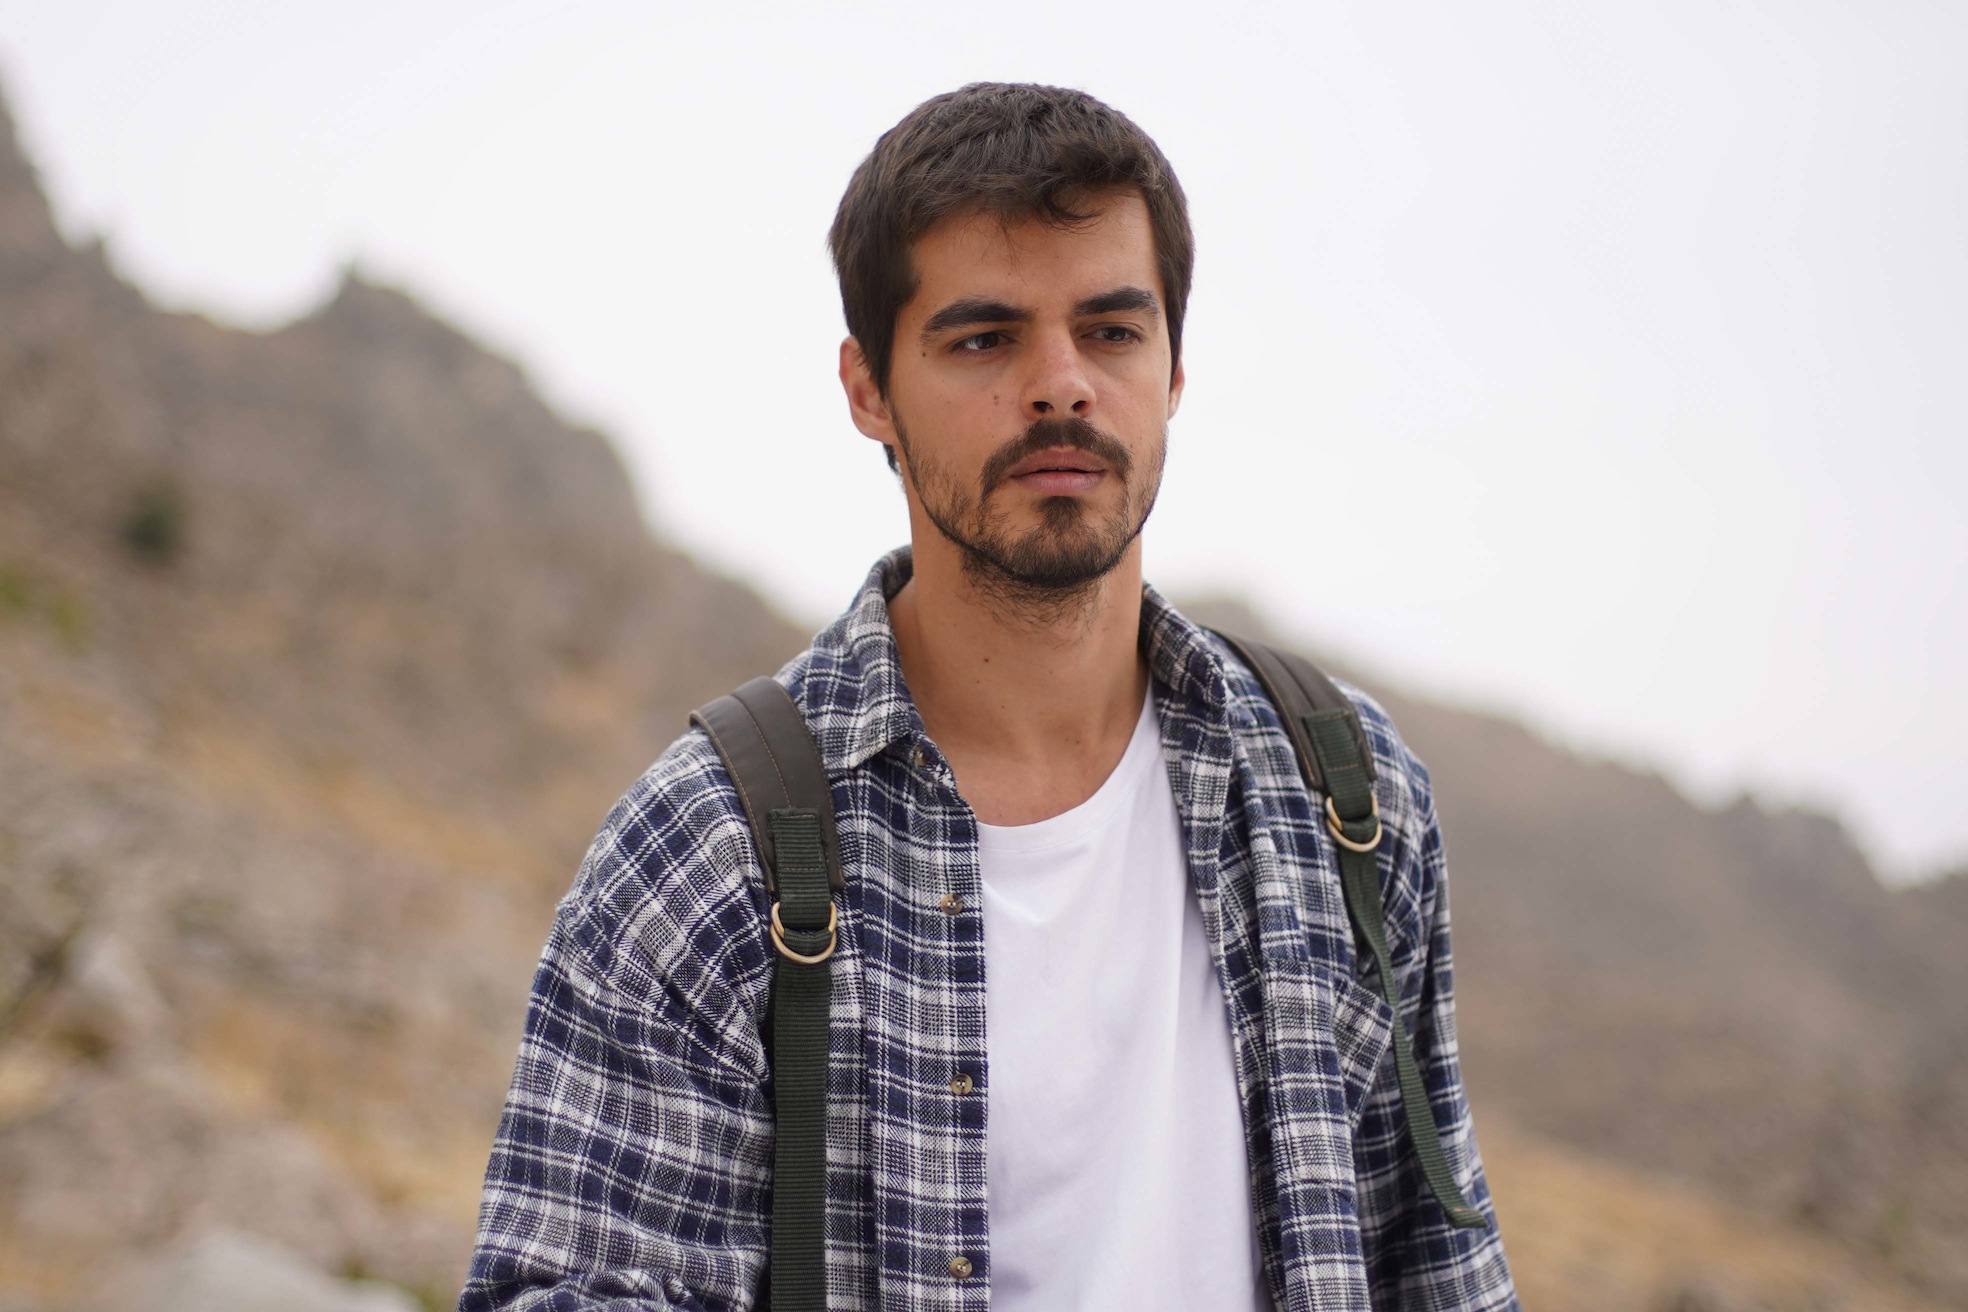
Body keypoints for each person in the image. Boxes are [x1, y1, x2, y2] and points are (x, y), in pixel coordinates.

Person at [457, 81, 1516, 1311]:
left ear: (1175, 366)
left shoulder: (1343, 793)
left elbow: (1442, 1273)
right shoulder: (711, 847)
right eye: (984, 340)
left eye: (1111, 331)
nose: (1061, 385)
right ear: (868, 388)